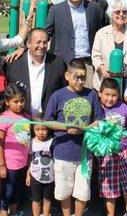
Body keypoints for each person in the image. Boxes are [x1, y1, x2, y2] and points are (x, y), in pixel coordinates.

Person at [43, 59, 104, 216]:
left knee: (83, 190)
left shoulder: (91, 94)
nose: (80, 81)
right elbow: (48, 121)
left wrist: (84, 130)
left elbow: (99, 120)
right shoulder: (58, 96)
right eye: (76, 77)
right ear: (67, 76)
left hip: (85, 153)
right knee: (64, 189)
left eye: (83, 77)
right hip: (63, 153)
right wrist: (65, 128)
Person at [45, 0, 104, 88]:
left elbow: (100, 35)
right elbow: (45, 34)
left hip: (87, 64)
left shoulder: (94, 8)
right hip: (63, 64)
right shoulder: (55, 10)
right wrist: (25, 47)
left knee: (86, 101)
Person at [97, 78, 127, 216]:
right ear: (100, 94)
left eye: (114, 95)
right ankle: (111, 213)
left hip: (125, 150)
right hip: (106, 153)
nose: (110, 98)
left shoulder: (123, 107)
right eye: (107, 94)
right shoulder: (98, 108)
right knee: (109, 184)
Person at [3, 28, 66, 118]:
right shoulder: (13, 63)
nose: (42, 46)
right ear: (28, 43)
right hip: (20, 121)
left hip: (48, 121)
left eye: (45, 42)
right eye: (38, 42)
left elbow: (64, 90)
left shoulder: (57, 63)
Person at [92, 0, 127, 91]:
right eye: (117, 12)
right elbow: (95, 56)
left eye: (124, 12)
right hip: (106, 83)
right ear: (111, 14)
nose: (121, 14)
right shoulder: (101, 33)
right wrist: (101, 67)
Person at [0, 83, 31, 216]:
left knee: (17, 191)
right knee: (7, 192)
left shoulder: (27, 116)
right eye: (15, 101)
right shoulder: (4, 117)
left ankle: (14, 212)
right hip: (10, 164)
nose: (19, 104)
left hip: (22, 163)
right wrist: (2, 165)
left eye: (22, 100)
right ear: (7, 101)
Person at [27, 124, 55, 216]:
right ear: (33, 130)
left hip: (49, 177)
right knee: (36, 200)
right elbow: (30, 158)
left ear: (48, 129)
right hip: (35, 177)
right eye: (37, 129)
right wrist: (28, 175)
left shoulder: (52, 141)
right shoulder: (31, 142)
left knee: (47, 199)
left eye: (44, 129)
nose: (41, 132)